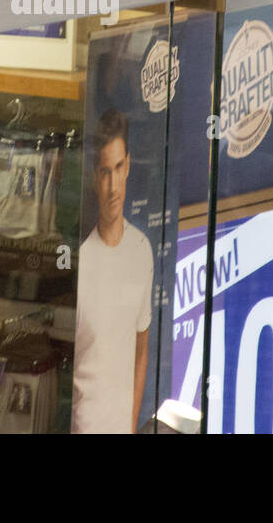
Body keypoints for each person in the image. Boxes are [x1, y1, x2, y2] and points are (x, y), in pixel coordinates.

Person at [72, 109, 154, 433]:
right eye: (105, 172)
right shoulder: (77, 259)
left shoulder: (142, 249)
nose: (113, 186)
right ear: (95, 178)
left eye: (118, 168)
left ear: (129, 166)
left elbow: (141, 350)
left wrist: (130, 423)